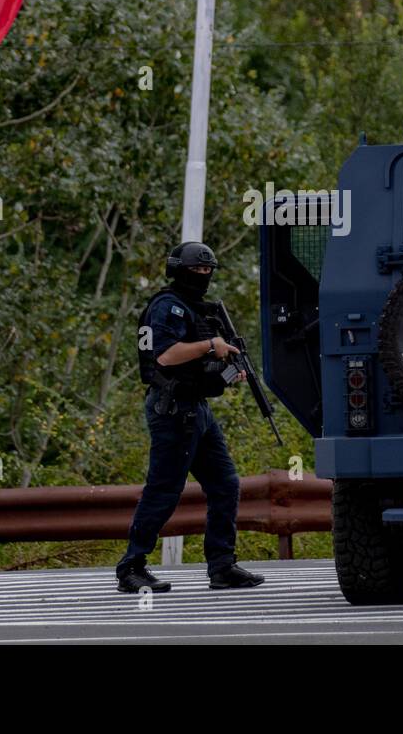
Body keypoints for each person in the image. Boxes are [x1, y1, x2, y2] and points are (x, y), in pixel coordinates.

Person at [115, 241, 266, 593]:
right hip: (172, 410)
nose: (202, 276)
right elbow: (165, 356)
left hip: (197, 409)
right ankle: (131, 567)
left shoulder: (196, 309)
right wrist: (211, 345)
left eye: (207, 270)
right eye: (196, 270)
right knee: (164, 489)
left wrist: (226, 369)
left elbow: (200, 364)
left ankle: (222, 566)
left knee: (225, 484)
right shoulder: (166, 307)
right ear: (178, 270)